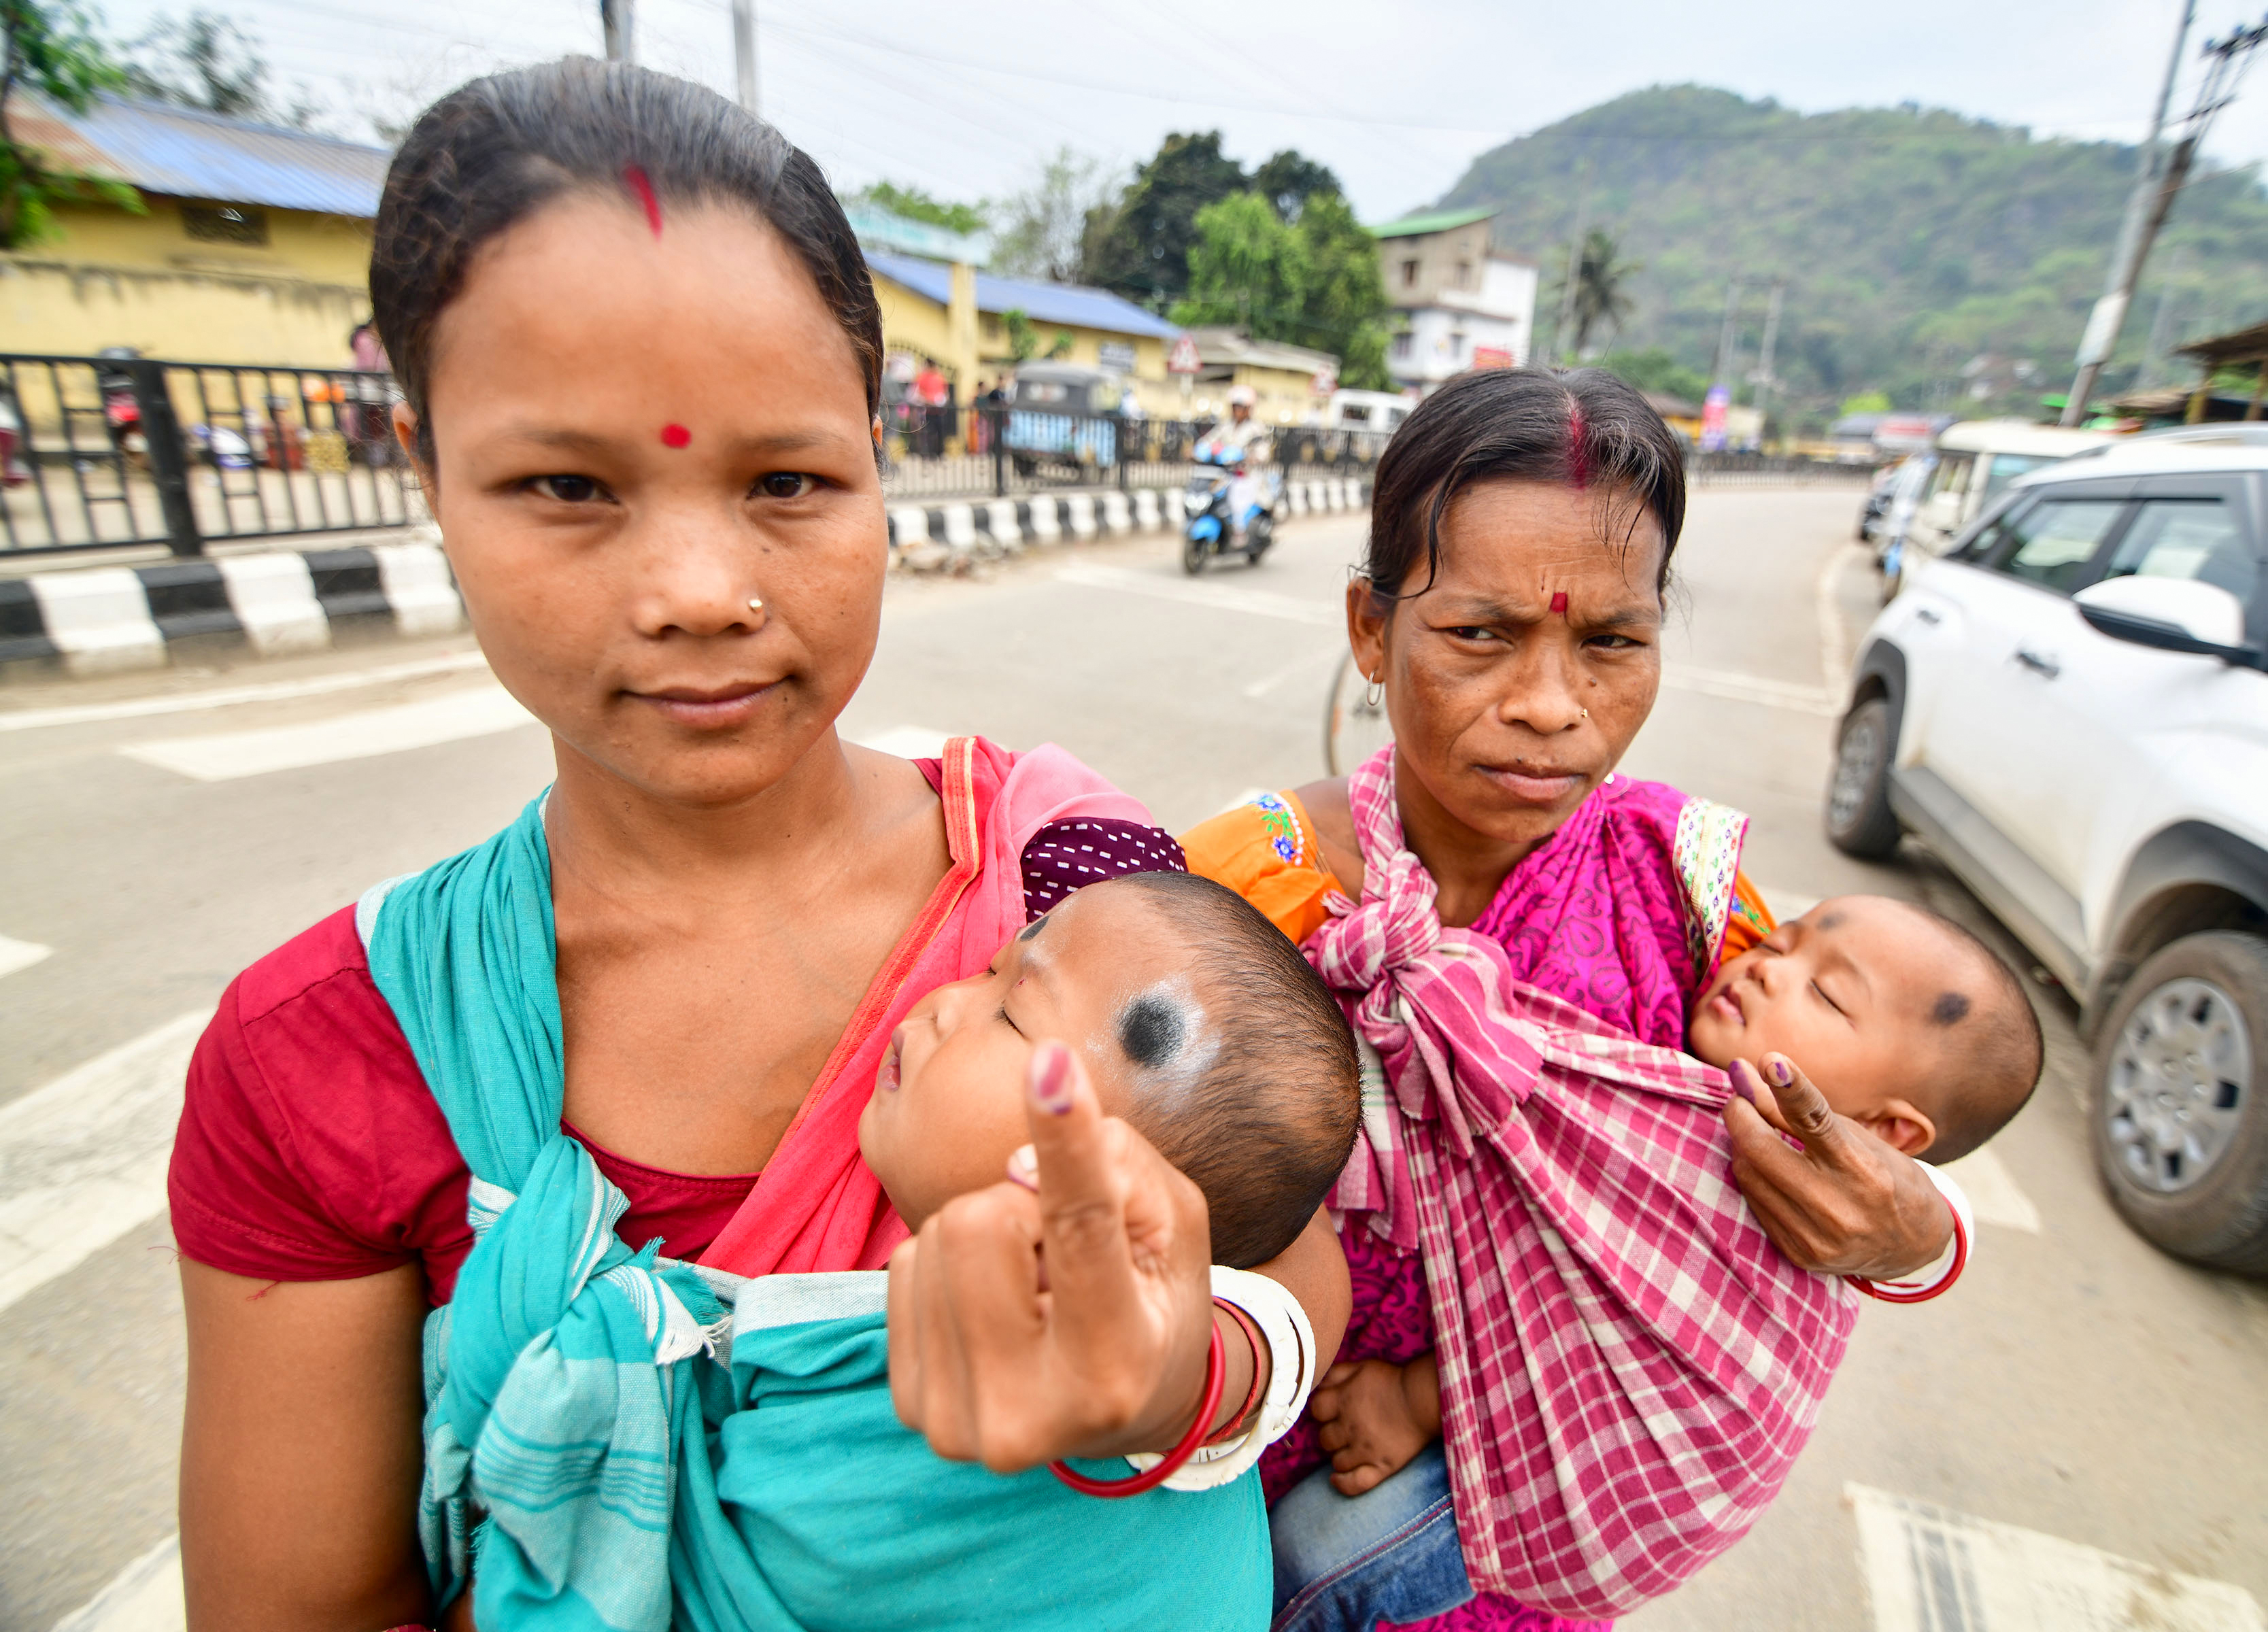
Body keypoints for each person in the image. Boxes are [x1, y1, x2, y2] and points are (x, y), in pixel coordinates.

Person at [169, 60, 1344, 1632]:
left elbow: (1285, 1257)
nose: (700, 592)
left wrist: (1181, 1371)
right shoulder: (324, 1054)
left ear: (877, 456)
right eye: (567, 485)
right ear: (425, 468)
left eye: (785, 480)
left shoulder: (1065, 883)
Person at [1181, 367, 1974, 1631]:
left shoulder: (1691, 903)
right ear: (1371, 632)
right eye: (1479, 634)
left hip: (1506, 1534)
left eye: (1611, 643)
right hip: (1226, 1488)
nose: (1551, 708)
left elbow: (1860, 1135)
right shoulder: (1245, 890)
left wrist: (1918, 1237)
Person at [1293, 891, 2042, 1532]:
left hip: (1513, 1497)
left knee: (1318, 1555)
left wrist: (1414, 1402)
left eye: (1827, 994)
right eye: (1778, 942)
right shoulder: (1674, 907)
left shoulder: (1792, 1212)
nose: (1765, 966)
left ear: (1886, 1132)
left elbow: (1587, 1348)